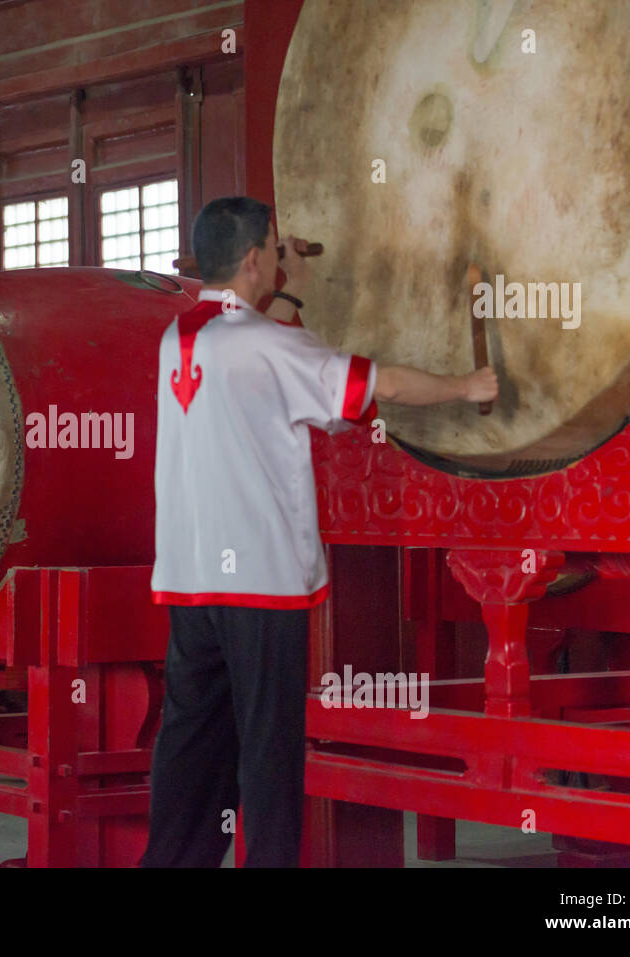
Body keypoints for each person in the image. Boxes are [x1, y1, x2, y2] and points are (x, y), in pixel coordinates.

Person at [142, 196, 497, 867]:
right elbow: (378, 381)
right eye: (274, 248)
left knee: (190, 753)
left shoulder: (179, 337)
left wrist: (293, 287)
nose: (282, 253)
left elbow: (261, 349)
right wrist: (465, 385)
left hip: (190, 586)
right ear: (253, 260)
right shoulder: (273, 347)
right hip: (262, 588)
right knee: (268, 758)